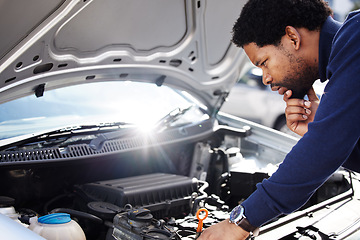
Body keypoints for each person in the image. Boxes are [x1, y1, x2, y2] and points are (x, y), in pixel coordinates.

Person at [198, 0, 360, 239]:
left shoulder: (356, 37)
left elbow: (323, 150)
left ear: (292, 37)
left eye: (263, 62)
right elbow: (330, 148)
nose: (265, 78)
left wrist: (239, 222)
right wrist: (325, 126)